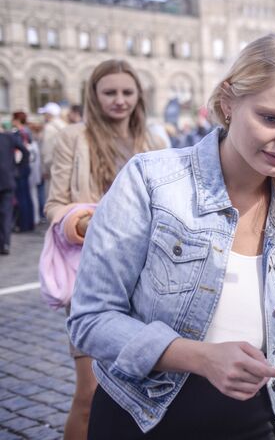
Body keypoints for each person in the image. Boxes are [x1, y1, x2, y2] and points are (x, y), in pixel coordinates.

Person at [68, 34, 275, 439]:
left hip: (259, 421)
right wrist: (199, 357)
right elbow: (91, 319)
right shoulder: (151, 180)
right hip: (144, 417)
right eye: (271, 118)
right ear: (229, 102)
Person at [45, 59, 169, 440]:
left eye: (127, 92)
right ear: (93, 96)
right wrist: (82, 223)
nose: (119, 100)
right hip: (93, 270)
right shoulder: (73, 137)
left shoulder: (155, 140)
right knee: (90, 392)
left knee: (145, 387)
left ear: (139, 96)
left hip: (147, 273)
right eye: (109, 92)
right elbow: (54, 205)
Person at [0, 127, 29, 255]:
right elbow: (25, 151)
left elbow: (25, 152)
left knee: (6, 213)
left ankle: (4, 242)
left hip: (7, 180)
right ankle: (5, 243)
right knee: (6, 213)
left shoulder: (9, 137)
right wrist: (17, 169)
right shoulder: (9, 137)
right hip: (7, 179)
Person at [11, 111, 34, 232]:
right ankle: (29, 222)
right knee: (26, 194)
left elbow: (18, 151)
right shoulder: (27, 132)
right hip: (27, 165)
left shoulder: (19, 133)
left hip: (20, 166)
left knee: (21, 196)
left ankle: (23, 224)